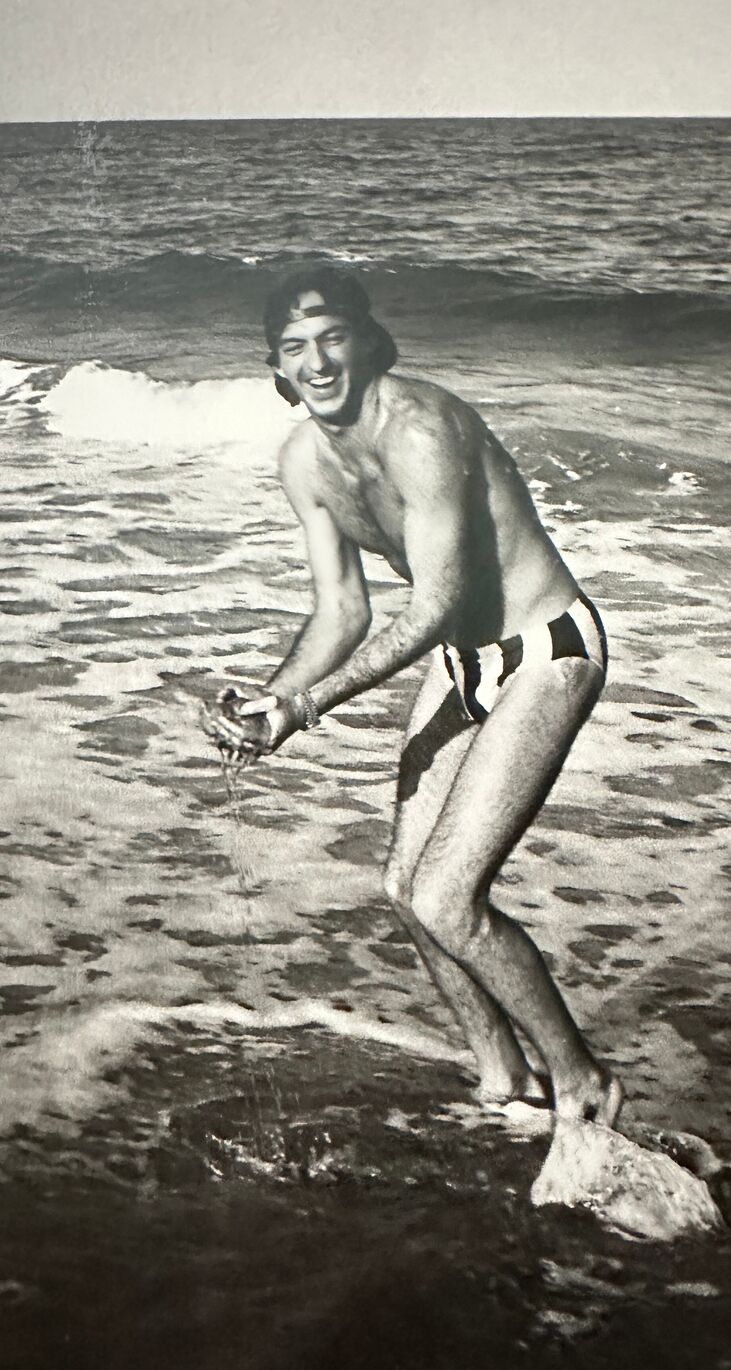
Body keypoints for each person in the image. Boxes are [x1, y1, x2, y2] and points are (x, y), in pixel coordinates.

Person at [204, 266, 622, 1126]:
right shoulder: (304, 462)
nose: (316, 363)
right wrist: (271, 700)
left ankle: (584, 1081)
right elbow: (343, 611)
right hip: (464, 664)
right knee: (404, 887)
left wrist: (310, 708)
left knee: (446, 894)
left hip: (548, 650)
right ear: (276, 369)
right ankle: (504, 1074)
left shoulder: (422, 429)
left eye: (331, 339)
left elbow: (432, 604)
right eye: (293, 349)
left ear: (364, 340)